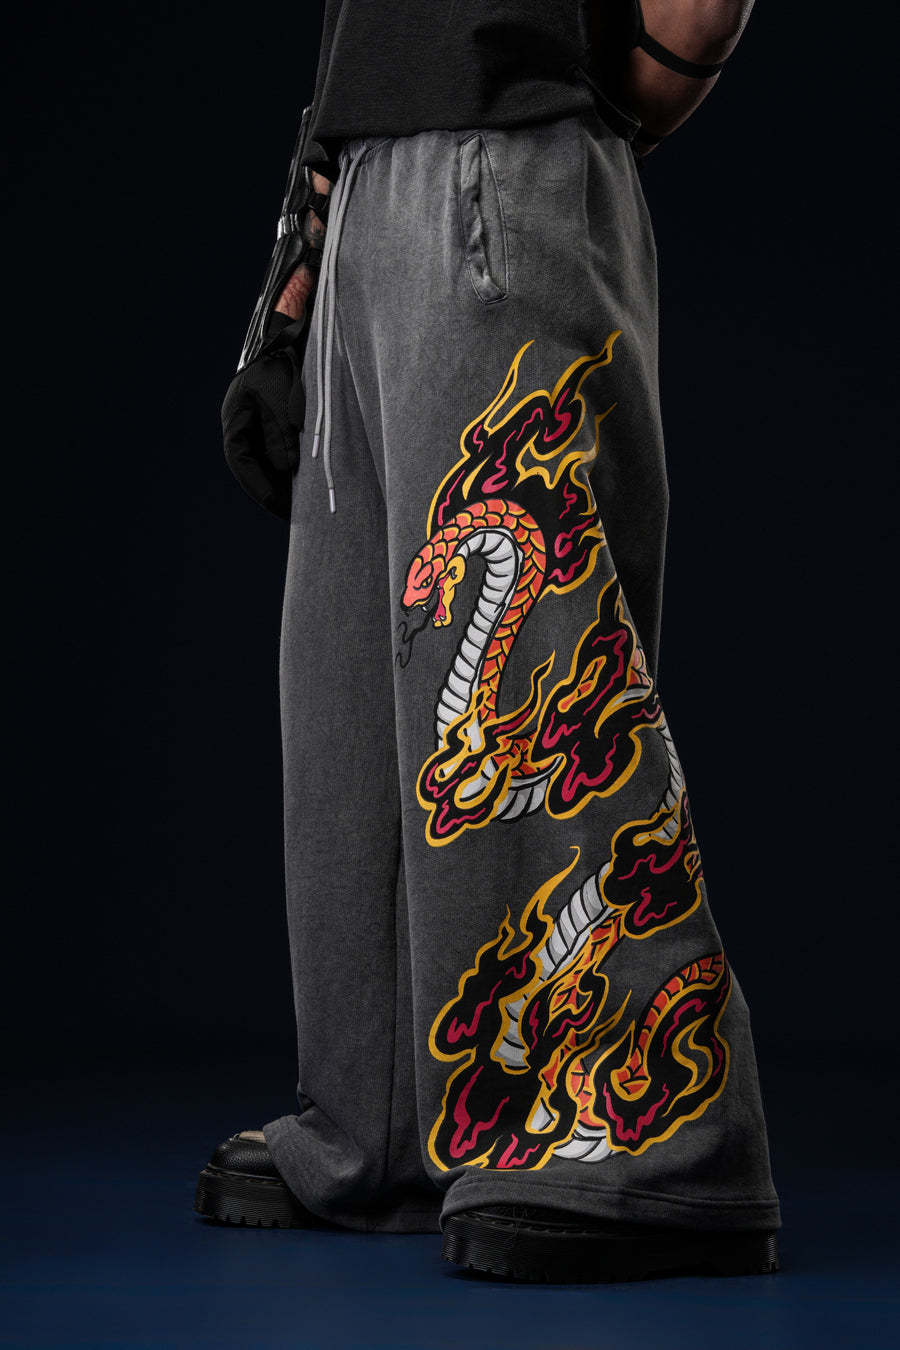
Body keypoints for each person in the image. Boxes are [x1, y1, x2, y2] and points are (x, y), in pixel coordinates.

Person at [197, 0, 781, 1283]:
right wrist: (300, 271)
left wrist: (587, 93)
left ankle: (655, 1143)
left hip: (504, 154)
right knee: (352, 710)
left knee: (525, 681)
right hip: (371, 186)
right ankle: (396, 1131)